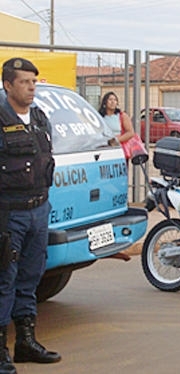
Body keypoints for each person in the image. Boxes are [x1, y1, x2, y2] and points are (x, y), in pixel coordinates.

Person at [0, 58, 61, 374]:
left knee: (30, 277)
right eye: (25, 81)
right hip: (10, 213)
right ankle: (1, 352)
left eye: (34, 81)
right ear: (8, 85)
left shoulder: (39, 117)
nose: (32, 87)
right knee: (4, 280)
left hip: (39, 209)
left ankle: (25, 342)